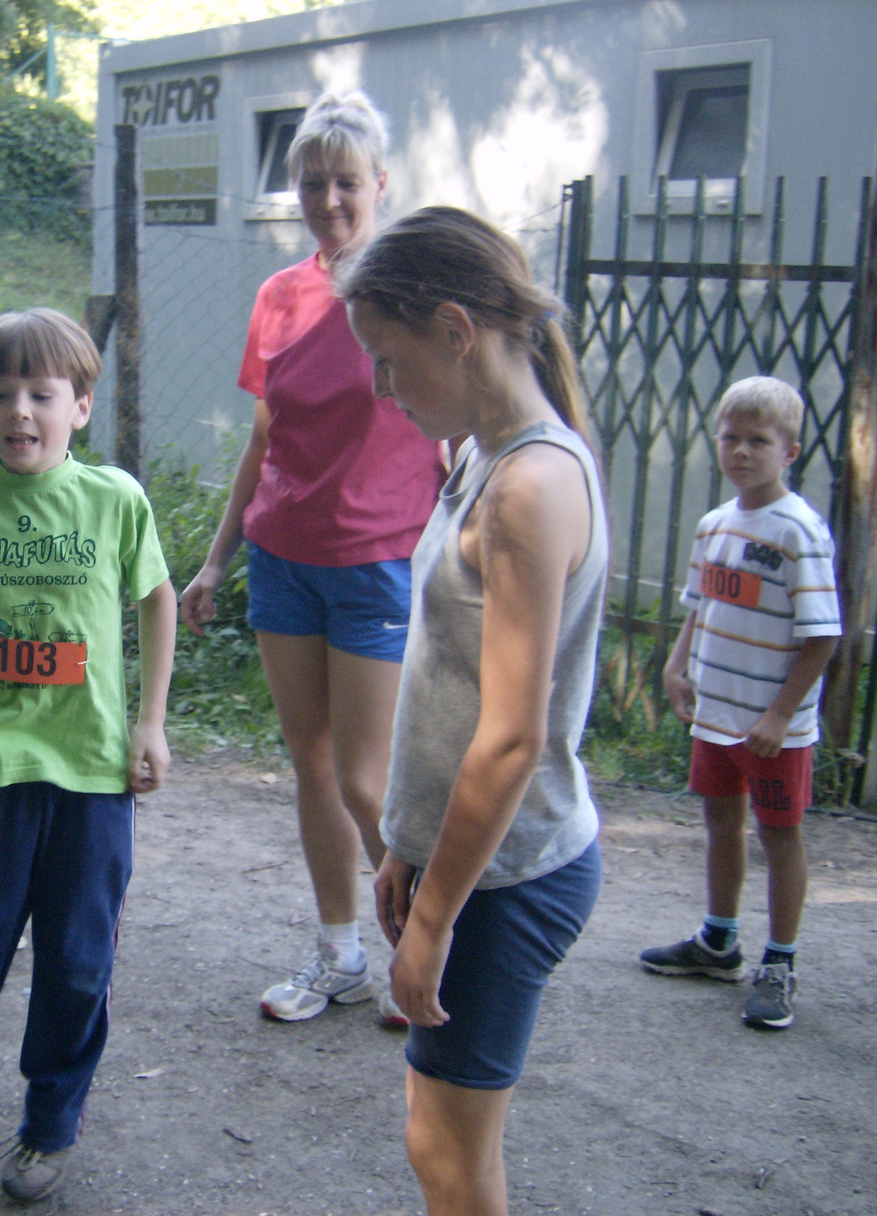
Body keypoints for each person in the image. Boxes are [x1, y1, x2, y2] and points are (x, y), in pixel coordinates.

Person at [340, 207, 607, 1216]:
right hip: (464, 858)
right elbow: (446, 684)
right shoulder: (479, 457)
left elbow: (508, 736)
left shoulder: (528, 486)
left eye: (387, 355)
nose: (380, 385)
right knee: (438, 1143)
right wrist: (405, 843)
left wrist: (434, 920)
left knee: (448, 1157)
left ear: (454, 329)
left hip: (508, 874)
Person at [0, 309, 175, 1209]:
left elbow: (157, 599)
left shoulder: (115, 501)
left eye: (41, 395)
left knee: (79, 963)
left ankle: (51, 1124)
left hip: (91, 781)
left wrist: (150, 723)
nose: (20, 411)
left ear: (80, 406)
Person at [180, 90, 444, 1024]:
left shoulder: (412, 297)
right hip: (282, 556)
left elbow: (456, 428)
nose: (329, 199)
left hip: (378, 561)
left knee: (370, 779)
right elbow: (263, 438)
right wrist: (216, 560)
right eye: (312, 183)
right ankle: (340, 955)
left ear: (380, 184)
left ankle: (425, 948)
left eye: (346, 181)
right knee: (311, 760)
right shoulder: (280, 295)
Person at [640, 377, 840, 1030]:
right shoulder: (713, 526)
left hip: (770, 730)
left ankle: (779, 962)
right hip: (716, 716)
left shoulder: (798, 532)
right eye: (731, 437)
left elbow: (821, 637)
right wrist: (675, 665)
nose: (742, 451)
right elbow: (699, 607)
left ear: (790, 451)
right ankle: (718, 940)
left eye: (759, 440)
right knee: (720, 825)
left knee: (779, 837)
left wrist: (781, 714)